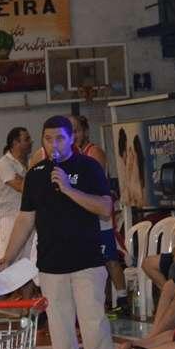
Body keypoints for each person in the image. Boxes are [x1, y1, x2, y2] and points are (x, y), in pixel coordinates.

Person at [0, 115, 116, 349]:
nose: (54, 145)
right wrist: (8, 256)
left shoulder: (89, 167)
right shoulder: (36, 174)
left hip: (86, 260)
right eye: (48, 139)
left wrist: (69, 189)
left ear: (72, 138)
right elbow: (26, 218)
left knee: (93, 324)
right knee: (59, 326)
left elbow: (104, 207)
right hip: (51, 262)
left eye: (60, 138)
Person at [72, 115, 128, 316]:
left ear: (85, 132)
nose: (73, 136)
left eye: (77, 131)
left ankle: (123, 299)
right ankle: (98, 303)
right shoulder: (71, 155)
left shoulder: (94, 152)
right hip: (83, 215)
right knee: (90, 261)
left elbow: (90, 182)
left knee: (109, 258)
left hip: (99, 214)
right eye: (70, 132)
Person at [0, 127, 36, 298]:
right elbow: (21, 186)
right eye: (26, 139)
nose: (31, 142)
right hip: (10, 219)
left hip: (29, 217)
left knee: (28, 264)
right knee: (4, 263)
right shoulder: (4, 164)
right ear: (15, 143)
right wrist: (35, 179)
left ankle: (27, 308)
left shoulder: (30, 163)